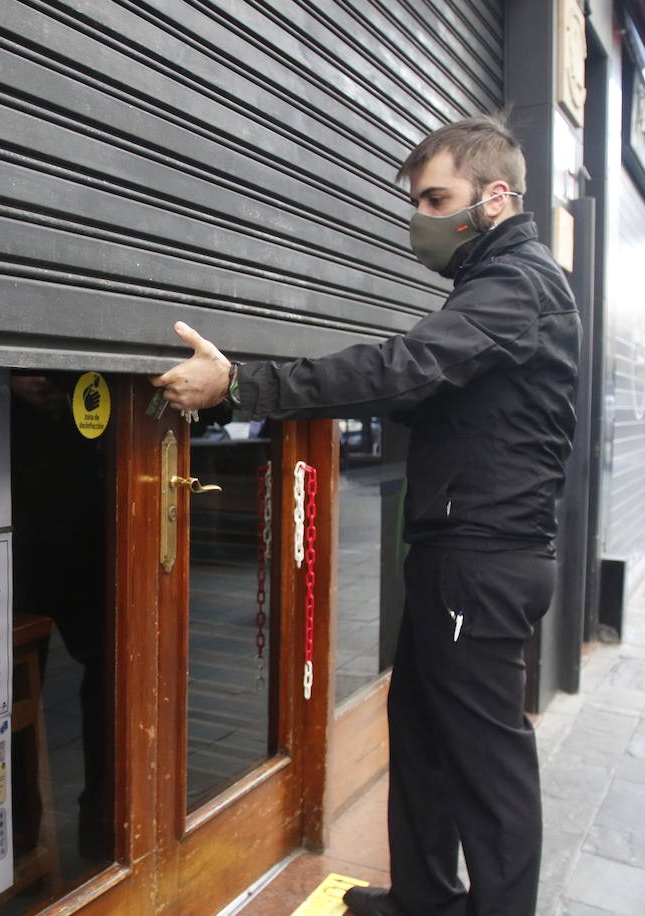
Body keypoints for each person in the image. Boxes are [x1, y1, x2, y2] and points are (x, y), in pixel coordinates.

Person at [152, 115, 579, 916]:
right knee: (421, 732)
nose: (422, 217)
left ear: (494, 197)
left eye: (436, 197)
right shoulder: (498, 286)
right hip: (461, 549)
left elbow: (405, 368)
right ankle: (422, 900)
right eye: (417, 200)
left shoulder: (518, 286)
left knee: (488, 762)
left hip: (484, 558)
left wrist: (244, 385)